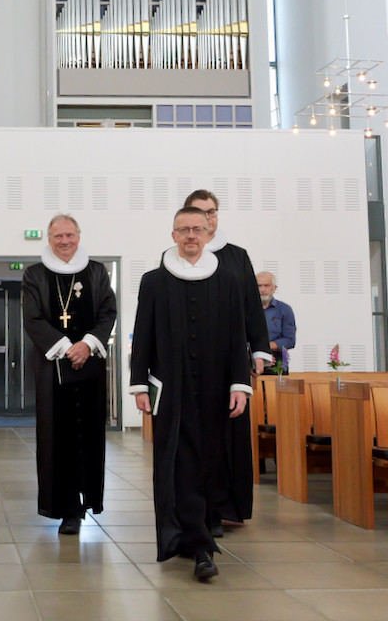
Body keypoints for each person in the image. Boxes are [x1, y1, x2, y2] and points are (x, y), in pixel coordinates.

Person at [130, 207, 250, 579]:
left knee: (209, 464)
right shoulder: (153, 281)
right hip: (172, 391)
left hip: (216, 391)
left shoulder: (228, 280)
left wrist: (239, 384)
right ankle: (198, 545)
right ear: (173, 235)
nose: (191, 235)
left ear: (208, 233)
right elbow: (143, 336)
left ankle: (194, 533)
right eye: (183, 229)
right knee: (179, 465)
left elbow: (236, 338)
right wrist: (139, 384)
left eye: (197, 229)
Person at [22, 214, 117, 535]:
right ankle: (65, 509)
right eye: (57, 236)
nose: (64, 241)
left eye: (69, 235)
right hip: (52, 371)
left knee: (87, 435)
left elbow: (108, 312)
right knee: (56, 437)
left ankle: (85, 503)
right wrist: (66, 347)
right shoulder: (34, 275)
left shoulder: (96, 272)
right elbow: (32, 318)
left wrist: (87, 344)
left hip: (89, 368)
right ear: (48, 239)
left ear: (79, 236)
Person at [181, 189, 268, 533]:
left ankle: (224, 507)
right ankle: (197, 509)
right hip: (190, 364)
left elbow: (252, 307)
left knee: (228, 438)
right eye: (201, 212)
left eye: (213, 211)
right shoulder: (175, 257)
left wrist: (259, 348)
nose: (208, 217)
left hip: (228, 363)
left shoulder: (236, 257)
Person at [257, 271, 296, 371]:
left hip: (276, 363)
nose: (262, 290)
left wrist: (265, 348)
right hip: (249, 360)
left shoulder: (284, 309)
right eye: (259, 286)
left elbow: (289, 340)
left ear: (275, 288)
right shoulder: (244, 309)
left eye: (266, 286)